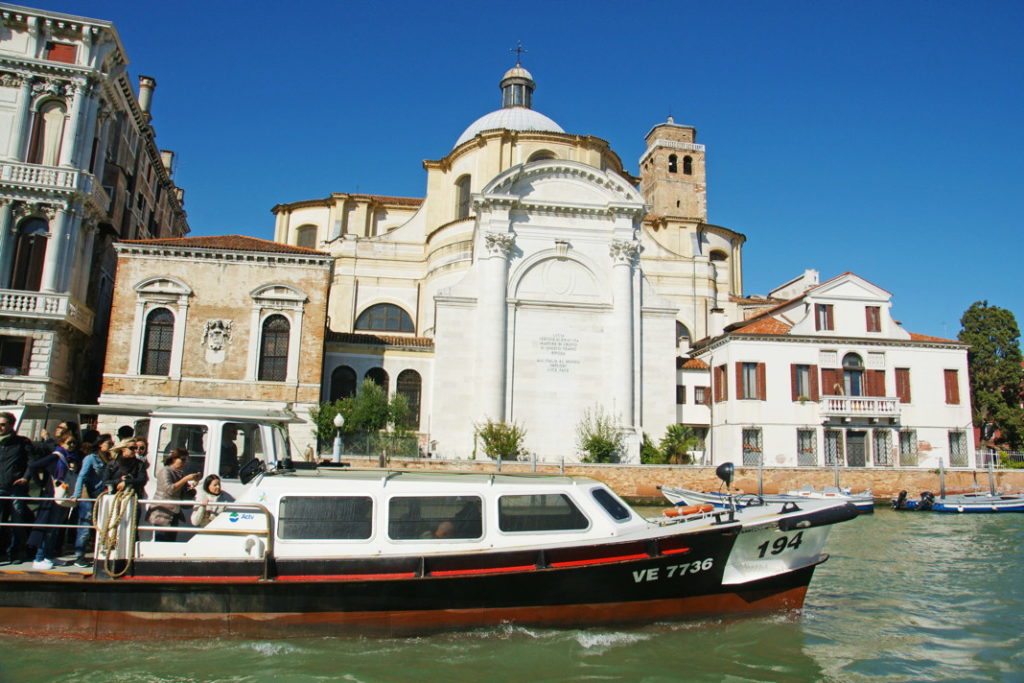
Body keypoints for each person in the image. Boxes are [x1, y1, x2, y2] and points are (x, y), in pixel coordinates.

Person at [16, 433, 77, 570]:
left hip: (63, 494)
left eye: (74, 443)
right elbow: (33, 466)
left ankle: (49, 556)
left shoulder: (70, 457)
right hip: (52, 495)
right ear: (61, 443)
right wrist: (40, 483)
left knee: (56, 528)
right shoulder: (56, 456)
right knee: (48, 527)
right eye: (69, 442)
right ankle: (39, 557)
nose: (72, 445)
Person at [71, 434, 114, 567]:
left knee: (102, 525)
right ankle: (79, 556)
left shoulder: (110, 459)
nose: (110, 446)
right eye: (108, 443)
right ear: (100, 444)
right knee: (85, 524)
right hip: (89, 495)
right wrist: (76, 494)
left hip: (103, 495)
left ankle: (99, 554)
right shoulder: (91, 458)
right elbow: (82, 476)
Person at [0, 412, 33, 565]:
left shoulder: (22, 442)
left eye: (3, 424)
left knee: (17, 519)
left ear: (11, 425)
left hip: (15, 487)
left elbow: (31, 462)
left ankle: (17, 552)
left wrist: (26, 477)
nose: (0, 427)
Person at [149, 448, 200, 542]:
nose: (184, 463)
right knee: (161, 541)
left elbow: (185, 494)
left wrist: (193, 486)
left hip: (174, 513)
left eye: (186, 460)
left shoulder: (180, 474)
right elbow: (170, 489)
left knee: (171, 541)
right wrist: (185, 479)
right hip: (162, 512)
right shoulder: (165, 471)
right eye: (183, 460)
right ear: (174, 459)